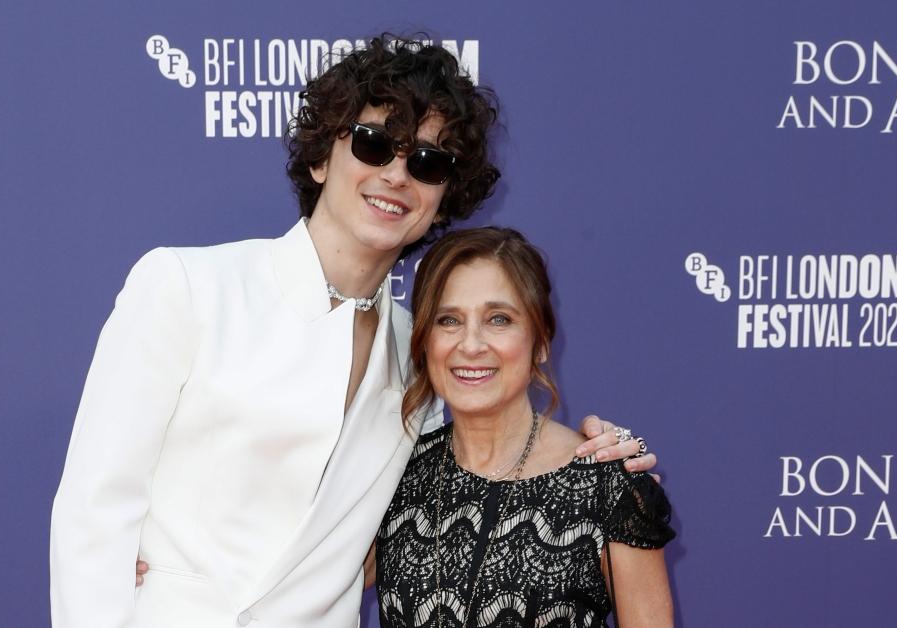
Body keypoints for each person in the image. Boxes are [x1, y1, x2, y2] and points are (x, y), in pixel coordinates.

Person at [52, 35, 657, 628]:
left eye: (427, 160)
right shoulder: (186, 287)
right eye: (373, 144)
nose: (397, 175)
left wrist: (601, 452)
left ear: (443, 199)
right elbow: (94, 514)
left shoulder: (422, 355)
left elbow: (460, 486)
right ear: (320, 158)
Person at [372, 227, 674, 627]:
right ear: (425, 341)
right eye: (449, 320)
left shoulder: (607, 483)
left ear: (542, 340)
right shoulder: (395, 474)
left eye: (499, 319)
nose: (471, 344)